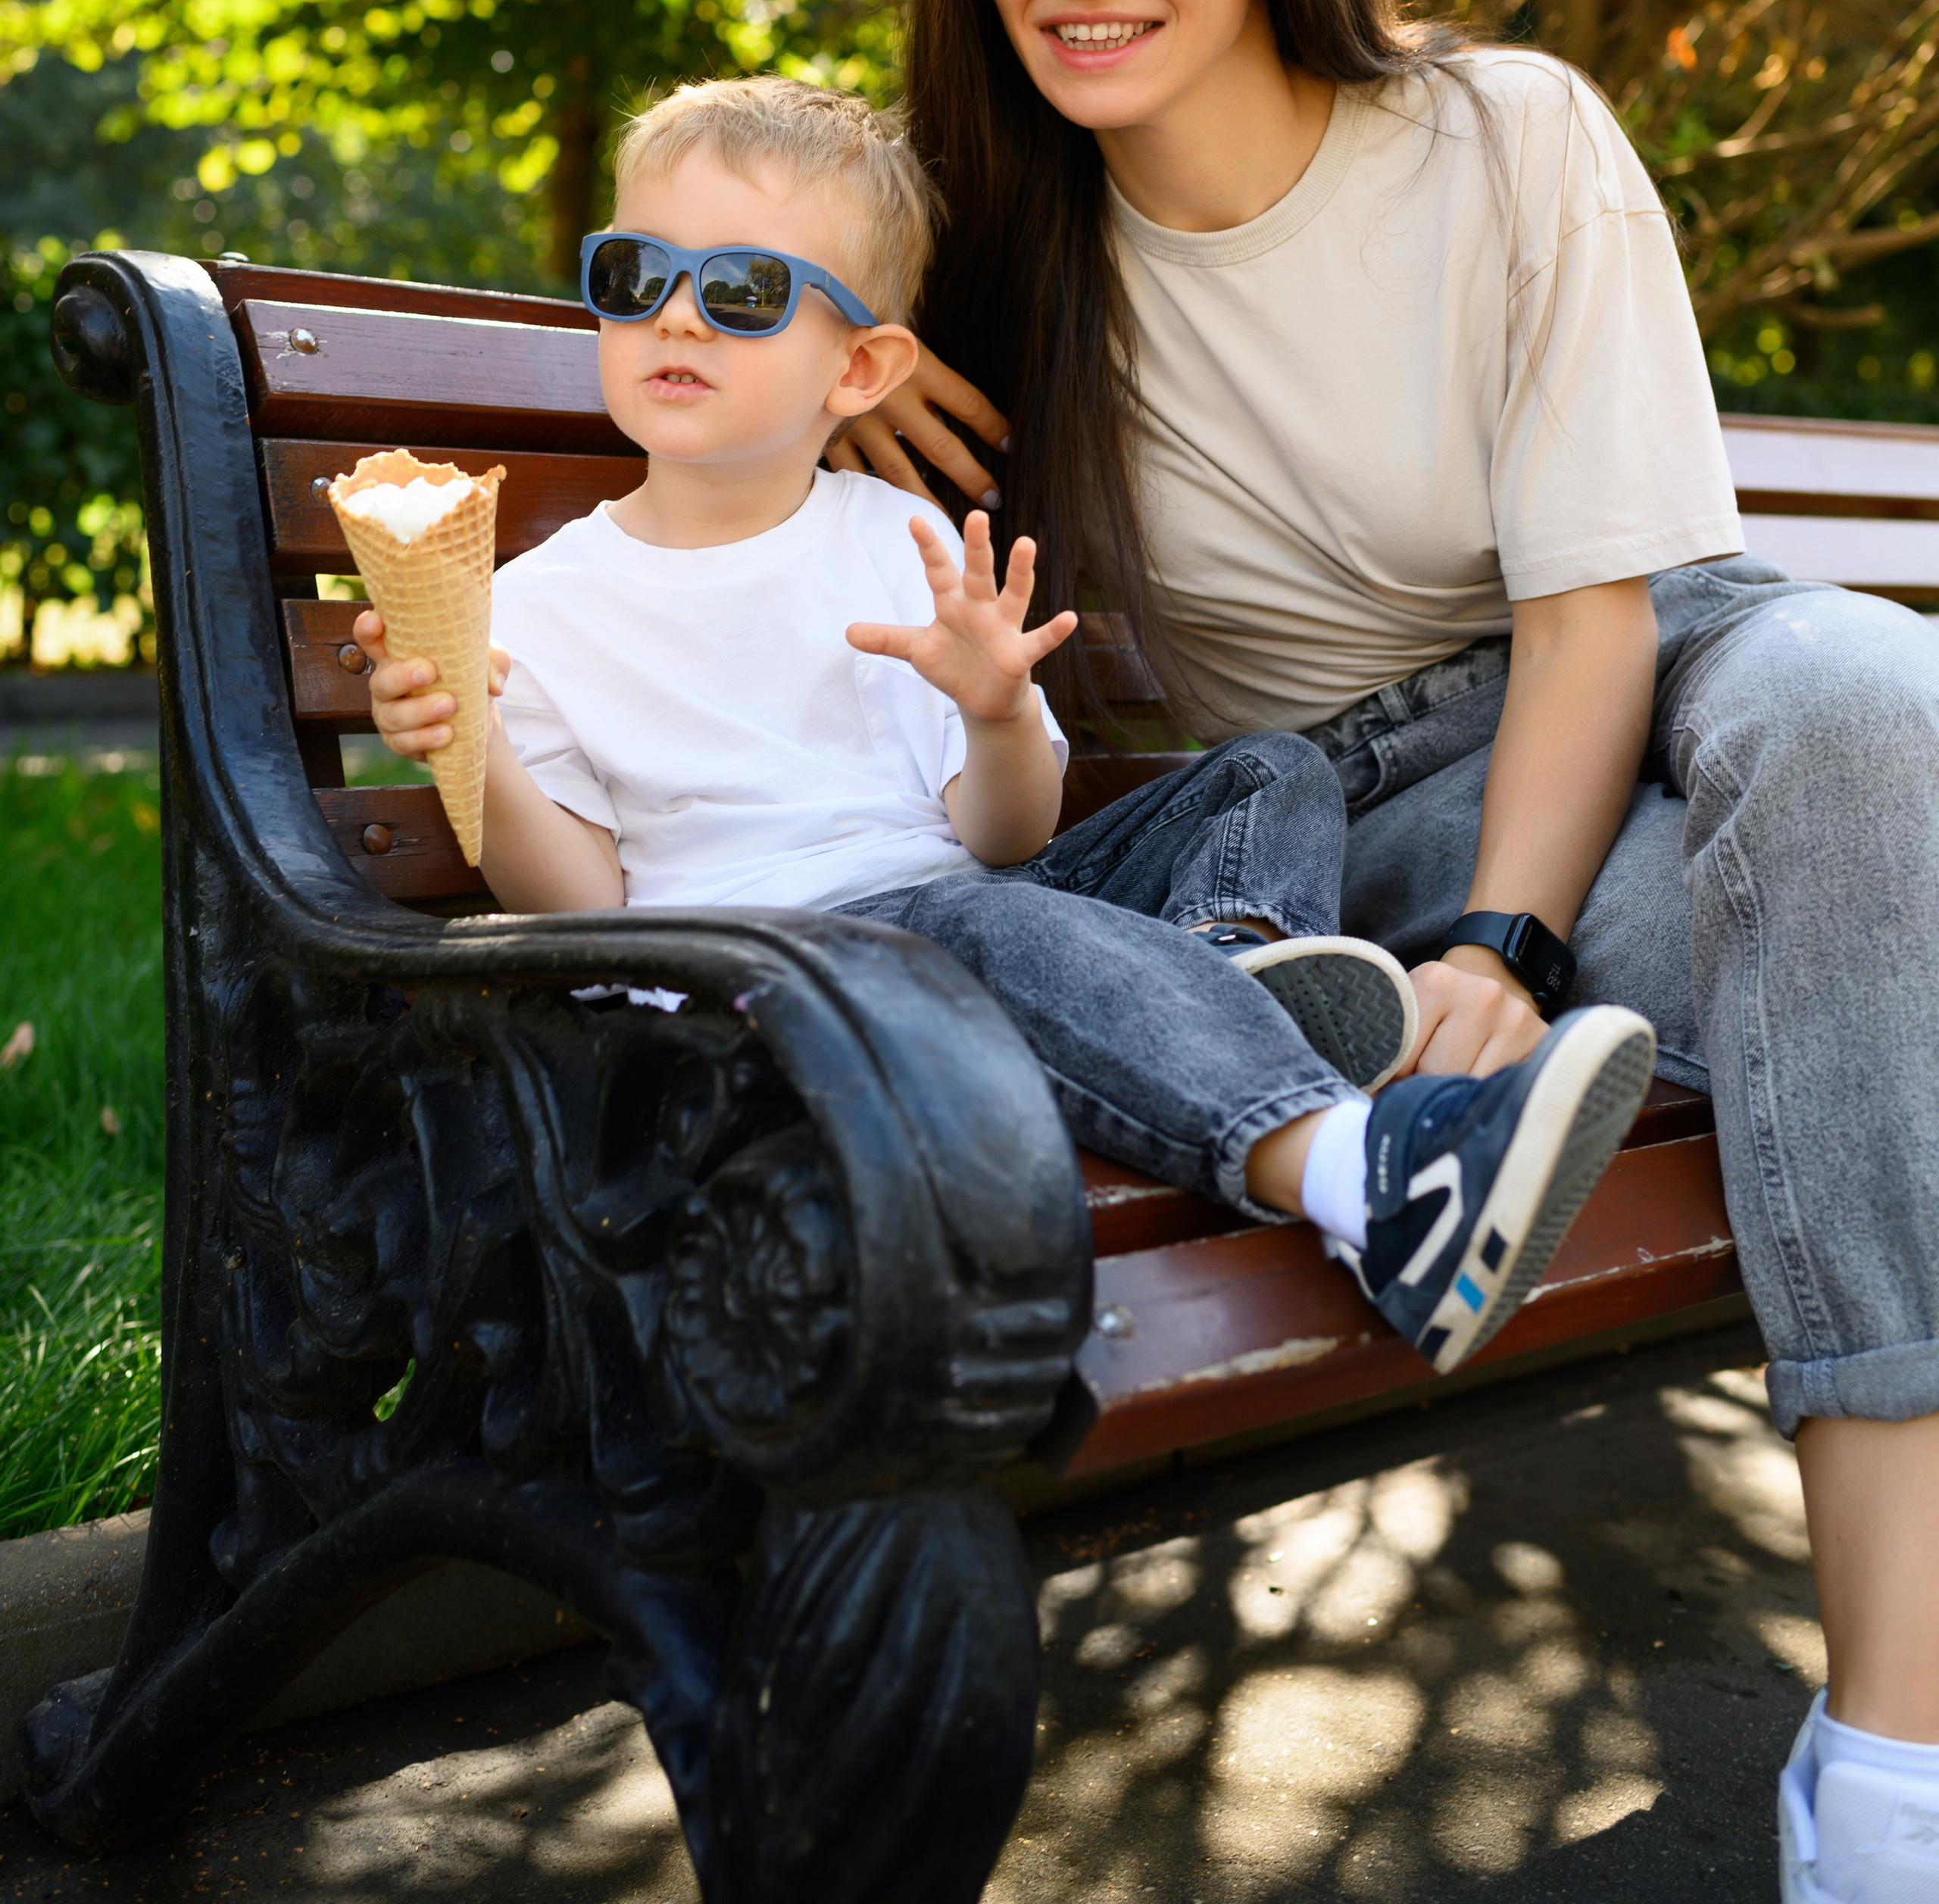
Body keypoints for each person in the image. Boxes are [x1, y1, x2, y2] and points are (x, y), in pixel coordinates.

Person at [825, 0, 1939, 1904]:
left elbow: (1594, 612)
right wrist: (806, 357)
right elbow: (707, 304)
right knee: (1865, 960)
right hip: (1363, 798)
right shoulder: (997, 257)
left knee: (1868, 721)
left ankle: (1893, 1753)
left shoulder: (1507, 133)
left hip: (1658, 668)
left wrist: (1513, 949)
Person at [357, 72, 1655, 1385]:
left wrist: (990, 711)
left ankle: (1225, 969)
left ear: (860, 368)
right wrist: (475, 746)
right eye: (635, 274)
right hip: (759, 992)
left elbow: (1008, 832)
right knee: (981, 922)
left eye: (743, 292)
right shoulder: (531, 610)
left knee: (1268, 773)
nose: (676, 316)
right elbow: (583, 902)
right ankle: (1376, 1187)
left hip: (967, 910)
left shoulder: (900, 544)